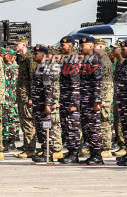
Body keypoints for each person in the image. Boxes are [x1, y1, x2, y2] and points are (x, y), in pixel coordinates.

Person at [78, 37, 104, 165]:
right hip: (84, 100)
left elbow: (98, 83)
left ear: (90, 46)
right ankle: (93, 153)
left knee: (94, 128)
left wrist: (97, 101)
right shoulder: (85, 61)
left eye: (83, 45)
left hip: (91, 101)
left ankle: (97, 155)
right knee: (88, 128)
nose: (81, 47)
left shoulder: (95, 61)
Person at [58, 36, 81, 164]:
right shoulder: (66, 60)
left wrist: (74, 102)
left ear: (71, 46)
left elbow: (75, 83)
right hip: (65, 99)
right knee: (66, 126)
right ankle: (71, 151)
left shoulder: (73, 61)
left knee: (72, 127)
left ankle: (74, 154)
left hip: (71, 100)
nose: (61, 47)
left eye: (64, 45)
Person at [13, 36, 37, 159]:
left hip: (27, 96)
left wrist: (32, 96)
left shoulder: (29, 59)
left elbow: (33, 78)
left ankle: (30, 149)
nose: (15, 46)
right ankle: (27, 147)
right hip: (21, 95)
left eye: (17, 44)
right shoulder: (21, 59)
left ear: (24, 45)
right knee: (24, 122)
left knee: (28, 123)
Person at [30, 45, 54, 163]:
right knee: (41, 129)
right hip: (38, 104)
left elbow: (48, 88)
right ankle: (44, 151)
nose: (34, 56)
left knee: (46, 129)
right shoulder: (39, 67)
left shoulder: (45, 69)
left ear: (43, 55)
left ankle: (48, 153)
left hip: (43, 105)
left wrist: (47, 104)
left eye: (36, 54)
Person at [94, 39, 115, 158]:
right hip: (102, 94)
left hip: (105, 94)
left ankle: (106, 148)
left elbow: (103, 82)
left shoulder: (104, 62)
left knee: (104, 121)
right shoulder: (100, 60)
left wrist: (101, 98)